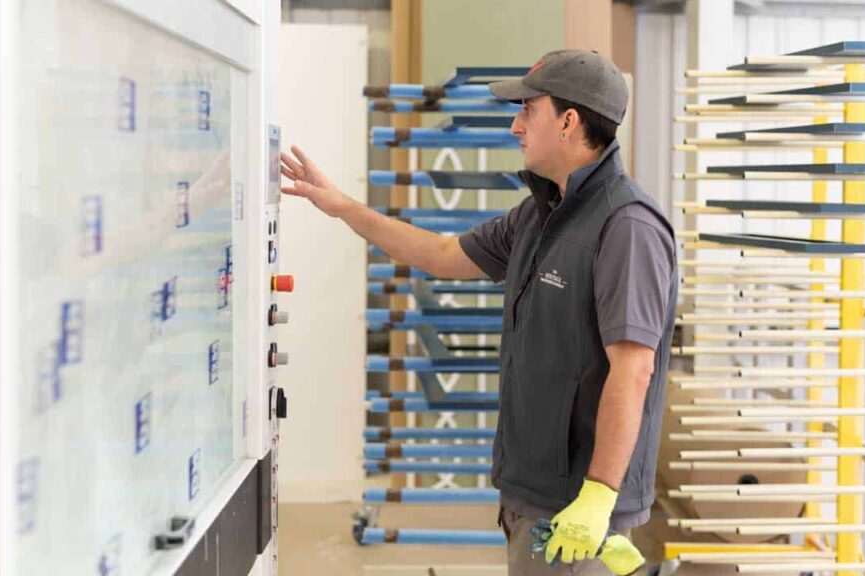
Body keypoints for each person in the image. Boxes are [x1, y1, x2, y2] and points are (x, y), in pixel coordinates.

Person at [280, 49, 677, 576]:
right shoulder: (541, 215)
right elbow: (442, 255)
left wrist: (599, 497)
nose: (515, 126)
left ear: (568, 121)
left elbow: (633, 371)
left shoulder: (627, 228)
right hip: (532, 489)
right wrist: (342, 206)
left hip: (578, 509)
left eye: (527, 112)